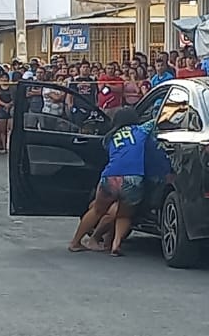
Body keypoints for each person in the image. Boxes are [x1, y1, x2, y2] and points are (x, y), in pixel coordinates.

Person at [67, 103, 180, 255]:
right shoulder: (141, 130)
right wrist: (178, 106)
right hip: (132, 178)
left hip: (110, 176)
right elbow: (160, 118)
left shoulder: (109, 138)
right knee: (124, 215)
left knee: (97, 210)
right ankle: (116, 244)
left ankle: (75, 242)